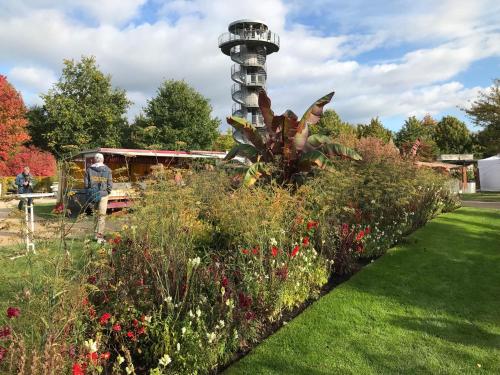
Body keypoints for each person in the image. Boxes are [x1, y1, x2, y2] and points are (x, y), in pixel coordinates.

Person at [84, 153, 112, 243]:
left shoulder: (89, 170)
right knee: (101, 216)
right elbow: (110, 184)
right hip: (103, 194)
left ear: (95, 159)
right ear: (102, 159)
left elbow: (86, 184)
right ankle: (100, 237)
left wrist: (90, 191)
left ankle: (95, 235)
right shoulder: (107, 170)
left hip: (93, 194)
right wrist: (107, 191)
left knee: (95, 215)